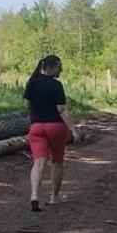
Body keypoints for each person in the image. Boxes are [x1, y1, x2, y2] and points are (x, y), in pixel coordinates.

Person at [23, 53, 78, 211]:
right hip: (55, 127)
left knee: (38, 162)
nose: (61, 71)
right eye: (59, 68)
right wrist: (73, 130)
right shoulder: (56, 85)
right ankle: (55, 197)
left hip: (36, 128)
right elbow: (61, 109)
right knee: (57, 161)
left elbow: (26, 105)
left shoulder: (32, 82)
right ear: (51, 67)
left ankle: (34, 195)